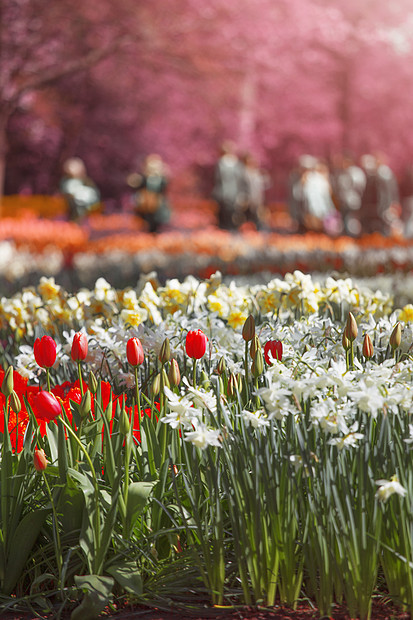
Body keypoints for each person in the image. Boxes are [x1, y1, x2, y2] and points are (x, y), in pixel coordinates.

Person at [128, 154, 171, 233]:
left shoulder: (161, 178)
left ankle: (157, 227)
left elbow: (164, 187)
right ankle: (148, 226)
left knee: (159, 214)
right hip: (145, 200)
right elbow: (136, 184)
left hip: (158, 200)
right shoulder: (143, 177)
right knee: (144, 212)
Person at [212, 141, 244, 230]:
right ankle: (228, 228)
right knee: (228, 211)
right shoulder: (234, 163)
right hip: (229, 192)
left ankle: (227, 228)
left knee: (228, 212)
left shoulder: (226, 163)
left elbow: (218, 179)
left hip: (228, 191)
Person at [238, 153, 270, 229]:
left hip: (257, 199)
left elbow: (264, 185)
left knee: (257, 217)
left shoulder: (256, 172)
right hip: (247, 200)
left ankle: (256, 232)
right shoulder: (243, 172)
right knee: (246, 217)